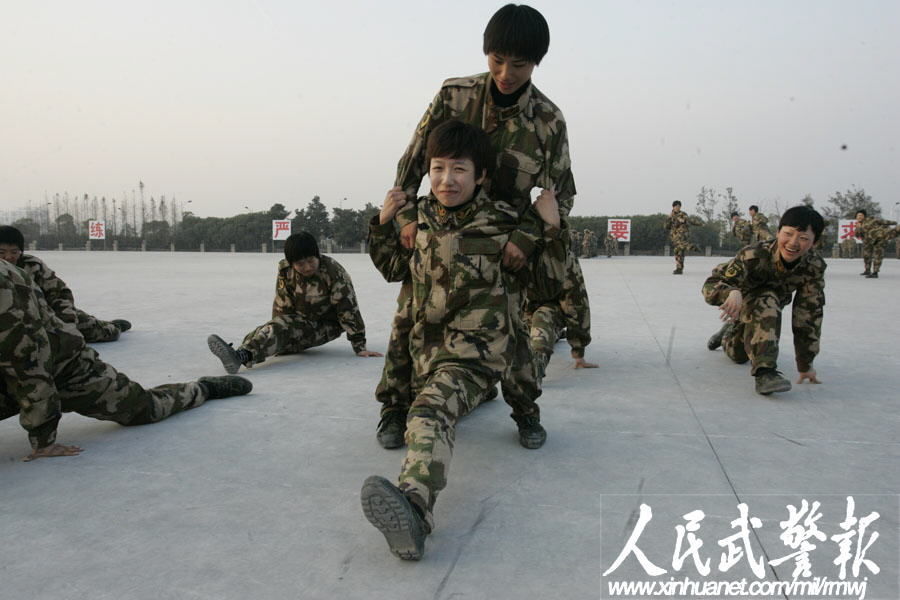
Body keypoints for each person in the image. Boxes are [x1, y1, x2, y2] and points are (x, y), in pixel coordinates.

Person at [372, 3, 584, 450]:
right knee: (410, 314)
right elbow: (412, 165)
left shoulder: (547, 121)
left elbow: (559, 195)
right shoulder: (454, 96)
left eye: (519, 64)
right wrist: (407, 220)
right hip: (440, 229)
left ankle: (525, 410)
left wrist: (526, 238)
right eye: (497, 60)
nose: (506, 73)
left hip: (501, 241)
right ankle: (394, 405)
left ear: (537, 62)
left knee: (512, 330)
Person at [362, 120, 558, 560]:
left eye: (459, 169)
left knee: (431, 411)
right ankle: (398, 407)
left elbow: (548, 285)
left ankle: (415, 510)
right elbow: (392, 269)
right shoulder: (419, 218)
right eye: (437, 169)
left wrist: (549, 228)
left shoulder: (505, 223)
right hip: (426, 347)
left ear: (481, 175)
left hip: (477, 351)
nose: (446, 180)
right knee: (421, 388)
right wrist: (382, 223)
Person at [0, 259, 251, 461]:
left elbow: (29, 365)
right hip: (13, 372)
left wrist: (43, 440)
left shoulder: (6, 287)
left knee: (143, 408)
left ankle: (202, 389)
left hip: (66, 367)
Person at [207, 232, 381, 373]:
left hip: (327, 325)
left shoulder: (333, 272)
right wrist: (279, 336)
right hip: (300, 320)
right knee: (265, 331)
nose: (307, 267)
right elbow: (282, 303)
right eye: (300, 264)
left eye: (311, 261)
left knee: (280, 328)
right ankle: (239, 352)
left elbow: (348, 308)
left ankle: (241, 356)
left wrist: (359, 346)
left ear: (317, 255)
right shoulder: (286, 270)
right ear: (291, 264)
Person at [704, 205, 826, 395]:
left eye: (803, 238)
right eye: (788, 234)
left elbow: (808, 315)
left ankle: (731, 331)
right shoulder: (753, 254)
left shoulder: (813, 266)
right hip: (743, 303)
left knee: (743, 349)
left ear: (815, 242)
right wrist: (731, 292)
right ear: (778, 232)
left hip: (769, 311)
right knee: (740, 353)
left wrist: (805, 363)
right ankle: (765, 373)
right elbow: (710, 285)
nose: (793, 243)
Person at [0, 225, 131, 342]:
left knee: (95, 331)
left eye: (14, 252)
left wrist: (67, 326)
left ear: (21, 252)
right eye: (2, 252)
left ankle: (112, 326)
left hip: (42, 316)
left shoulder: (32, 266)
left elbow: (59, 294)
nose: (8, 257)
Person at [854, 209, 897, 278]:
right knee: (866, 256)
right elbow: (857, 235)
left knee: (877, 255)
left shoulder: (872, 220)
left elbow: (883, 221)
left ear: (864, 216)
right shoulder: (858, 225)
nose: (859, 217)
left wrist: (894, 222)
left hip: (878, 239)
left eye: (861, 215)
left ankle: (875, 272)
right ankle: (867, 270)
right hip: (868, 242)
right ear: (856, 217)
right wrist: (858, 229)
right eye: (858, 216)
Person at [664, 201, 703, 274]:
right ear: (673, 207)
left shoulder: (683, 214)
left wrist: (699, 223)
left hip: (682, 234)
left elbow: (690, 221)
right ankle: (679, 269)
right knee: (678, 252)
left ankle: (691, 247)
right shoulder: (670, 216)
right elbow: (666, 227)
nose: (678, 208)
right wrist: (669, 219)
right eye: (676, 206)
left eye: (679, 206)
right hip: (674, 236)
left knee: (680, 246)